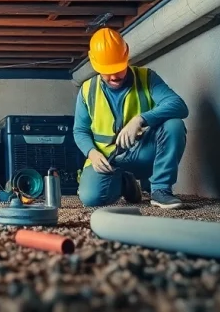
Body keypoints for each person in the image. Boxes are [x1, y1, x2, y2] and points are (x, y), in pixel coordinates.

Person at [74, 28, 189, 209]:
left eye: (118, 68)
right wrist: (92, 153)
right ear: (95, 65)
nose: (113, 76)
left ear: (126, 55)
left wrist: (140, 119)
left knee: (174, 125)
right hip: (107, 159)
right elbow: (80, 130)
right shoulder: (87, 90)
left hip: (143, 153)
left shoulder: (147, 78)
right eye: (106, 71)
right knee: (91, 198)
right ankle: (126, 183)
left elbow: (179, 106)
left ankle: (160, 190)